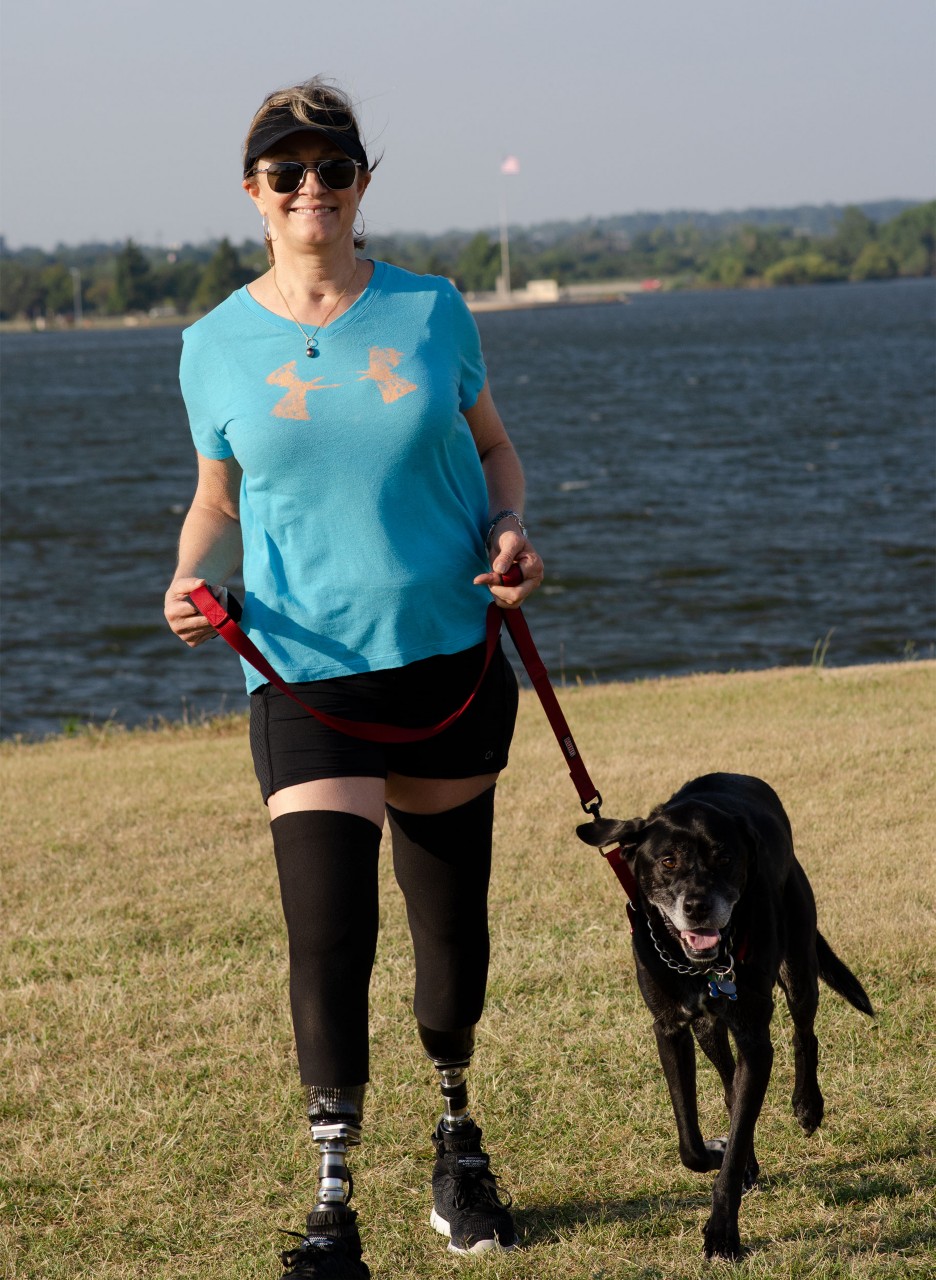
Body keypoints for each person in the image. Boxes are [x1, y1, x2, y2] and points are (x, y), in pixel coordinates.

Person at [163, 77, 543, 1279]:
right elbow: (219, 502)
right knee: (327, 932)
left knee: (449, 948)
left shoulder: (433, 310)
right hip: (301, 675)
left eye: (334, 169)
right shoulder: (213, 343)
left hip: (446, 659)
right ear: (253, 192)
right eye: (288, 171)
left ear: (363, 184)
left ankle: (457, 1138)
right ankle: (333, 1210)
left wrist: (513, 529)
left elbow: (491, 449)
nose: (311, 189)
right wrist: (188, 575)